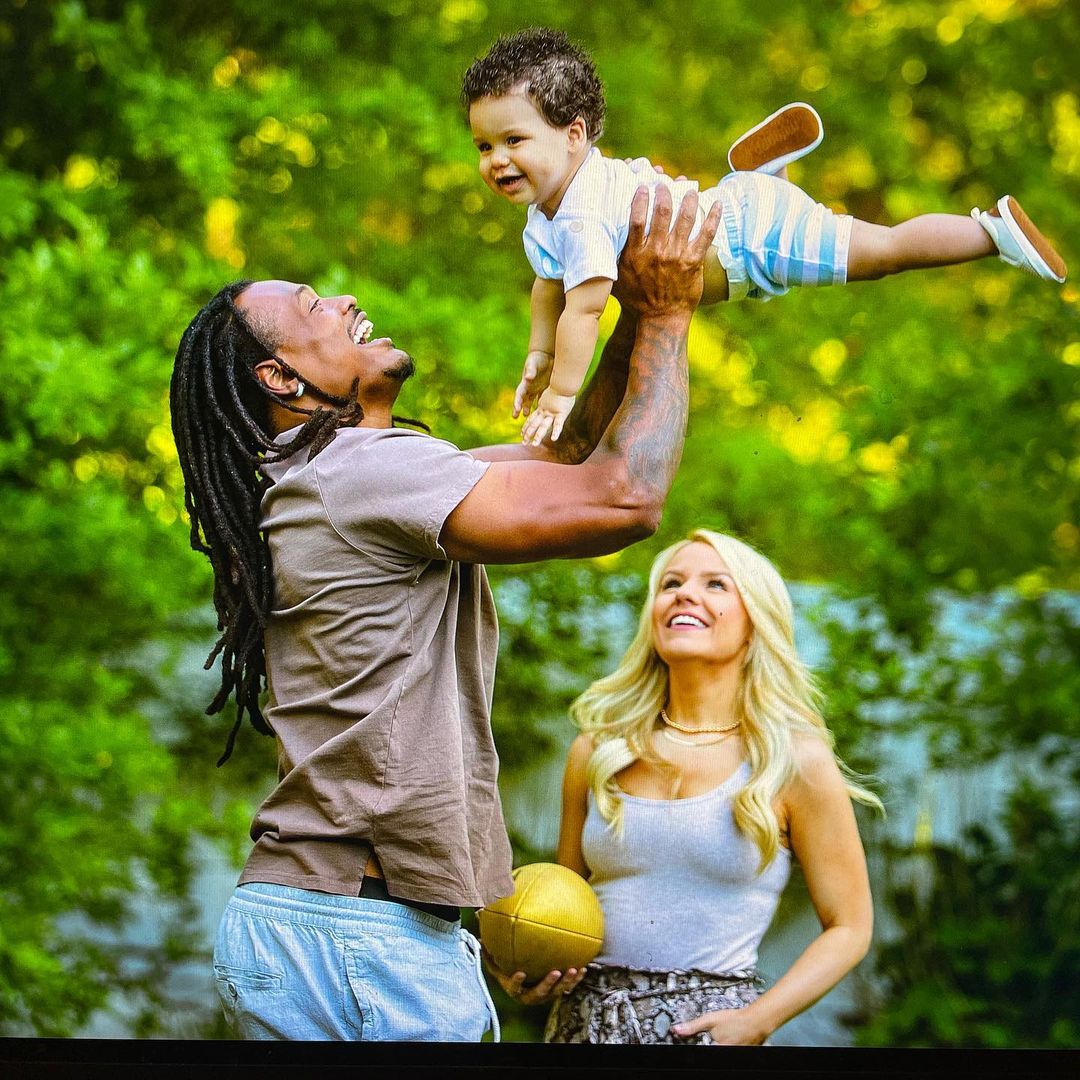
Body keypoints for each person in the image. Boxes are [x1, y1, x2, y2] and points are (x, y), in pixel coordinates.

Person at [168, 182, 721, 1041]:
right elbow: (624, 499)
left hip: (319, 920)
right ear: (280, 376)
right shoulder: (357, 474)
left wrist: (632, 302)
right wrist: (674, 316)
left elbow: (572, 453)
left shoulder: (329, 481)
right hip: (361, 935)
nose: (345, 299)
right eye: (315, 306)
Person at [461, 27, 1069, 446]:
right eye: (485, 146)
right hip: (733, 218)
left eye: (515, 141)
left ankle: (990, 232)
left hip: (755, 240)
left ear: (574, 134)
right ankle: (756, 176)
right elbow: (550, 286)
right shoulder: (546, 213)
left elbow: (586, 306)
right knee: (794, 221)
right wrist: (539, 355)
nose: (497, 161)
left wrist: (561, 395)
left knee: (883, 251)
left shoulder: (581, 214)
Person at [523, 528, 884, 1044]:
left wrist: (759, 1019)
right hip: (584, 1027)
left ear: (755, 624)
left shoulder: (792, 760)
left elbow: (850, 926)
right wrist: (532, 969)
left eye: (716, 584)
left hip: (708, 1035)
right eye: (671, 583)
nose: (684, 593)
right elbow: (562, 905)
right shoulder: (598, 750)